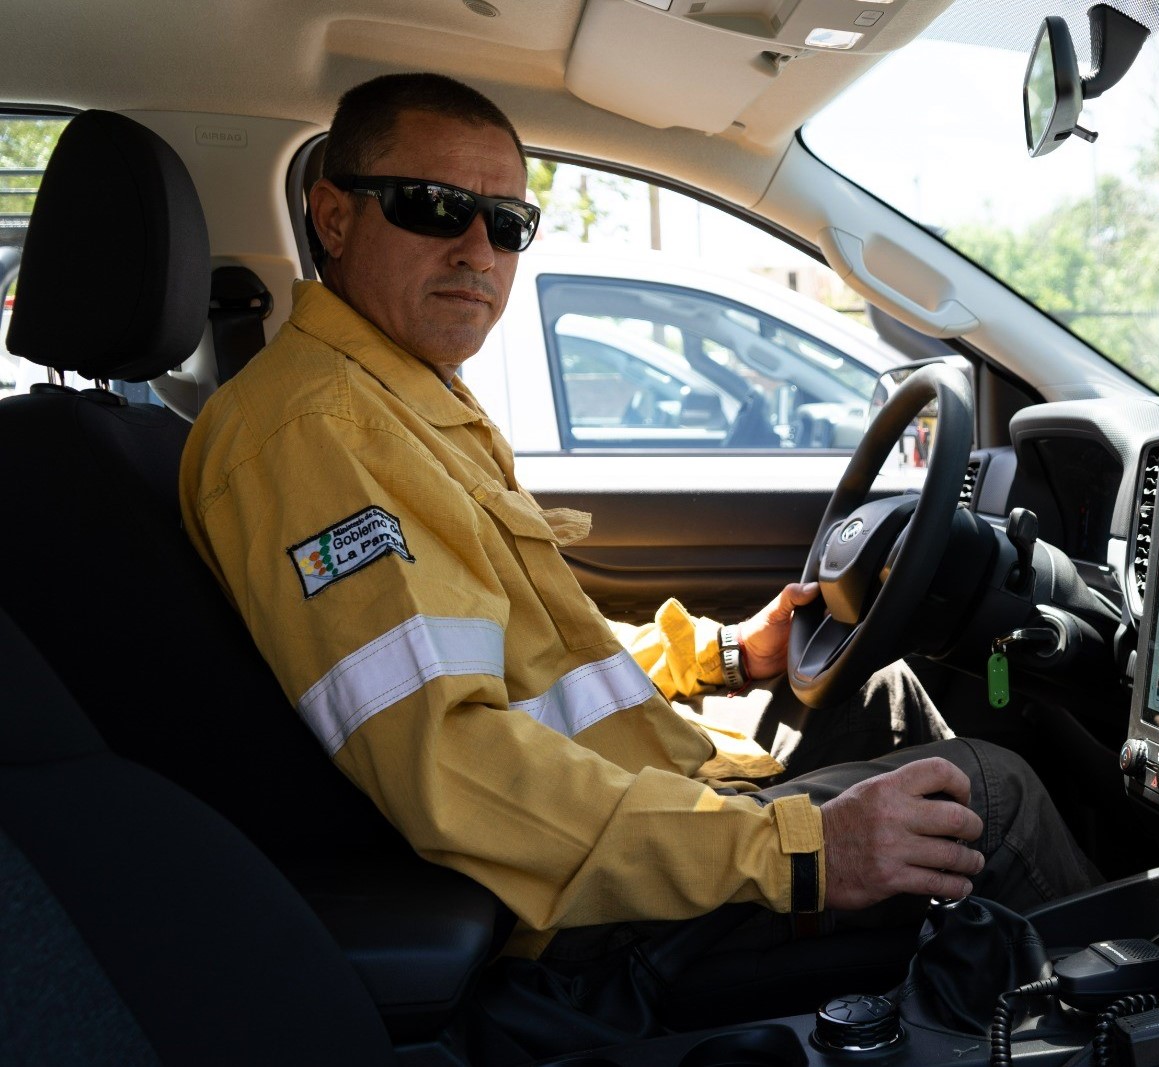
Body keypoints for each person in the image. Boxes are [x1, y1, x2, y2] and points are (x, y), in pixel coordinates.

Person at [179, 73, 1097, 1040]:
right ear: (332, 216)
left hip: (614, 821)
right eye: (433, 207)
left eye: (506, 224)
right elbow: (455, 766)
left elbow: (523, 657)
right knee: (990, 794)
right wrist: (798, 847)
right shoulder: (313, 434)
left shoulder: (400, 395)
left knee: (890, 691)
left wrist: (726, 655)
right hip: (570, 911)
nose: (475, 250)